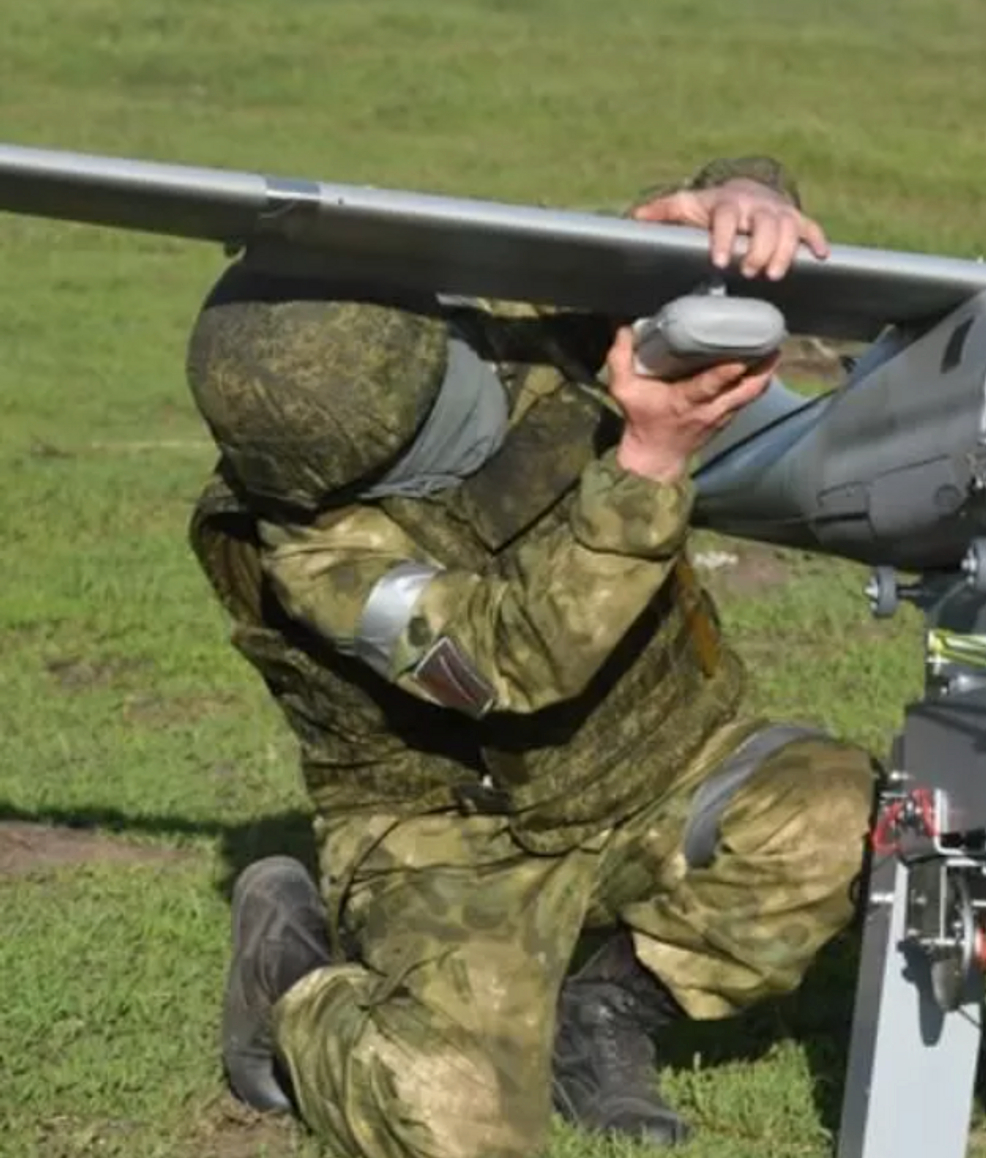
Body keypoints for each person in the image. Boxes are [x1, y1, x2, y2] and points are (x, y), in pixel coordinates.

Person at [185, 156, 881, 1158]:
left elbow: (701, 208)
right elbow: (512, 662)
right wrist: (647, 463)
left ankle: (608, 1012)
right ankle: (291, 983)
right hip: (457, 841)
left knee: (843, 819)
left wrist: (744, 205)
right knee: (457, 1124)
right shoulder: (314, 553)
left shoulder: (516, 311)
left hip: (656, 767)